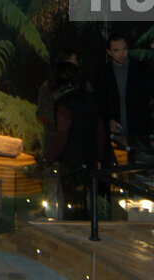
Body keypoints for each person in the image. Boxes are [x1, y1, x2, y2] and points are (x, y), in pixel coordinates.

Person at [44, 62, 106, 220]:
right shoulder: (91, 98)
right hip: (90, 159)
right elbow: (100, 132)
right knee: (86, 203)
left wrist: (48, 158)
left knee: (72, 204)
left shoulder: (63, 103)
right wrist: (98, 157)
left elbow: (62, 134)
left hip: (71, 163)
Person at [94, 34, 154, 158]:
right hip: (115, 132)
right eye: (116, 50)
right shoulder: (102, 74)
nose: (122, 54)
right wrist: (109, 120)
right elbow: (100, 102)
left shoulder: (141, 69)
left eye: (124, 49)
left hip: (139, 131)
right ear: (109, 52)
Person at [36, 45, 80, 159]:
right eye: (69, 62)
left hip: (76, 146)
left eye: (75, 62)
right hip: (53, 143)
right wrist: (64, 119)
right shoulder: (47, 87)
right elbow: (42, 114)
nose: (72, 66)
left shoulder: (83, 86)